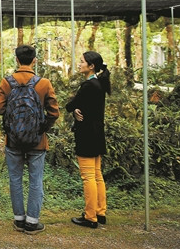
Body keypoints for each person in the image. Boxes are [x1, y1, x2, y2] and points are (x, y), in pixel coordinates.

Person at [0, 44, 60, 235]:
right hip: (37, 141)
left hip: (13, 140)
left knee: (15, 179)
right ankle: (32, 222)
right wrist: (41, 128)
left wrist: (15, 123)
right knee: (36, 180)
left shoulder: (6, 82)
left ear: (16, 60)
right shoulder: (44, 83)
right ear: (34, 61)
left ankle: (18, 220)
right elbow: (54, 112)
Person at [66, 51, 111, 228]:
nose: (79, 64)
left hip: (86, 135)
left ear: (91, 66)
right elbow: (83, 106)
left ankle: (90, 216)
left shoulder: (88, 86)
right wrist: (77, 108)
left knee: (88, 177)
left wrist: (74, 108)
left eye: (82, 61)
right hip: (98, 134)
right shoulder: (98, 83)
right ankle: (100, 212)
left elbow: (70, 105)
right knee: (97, 174)